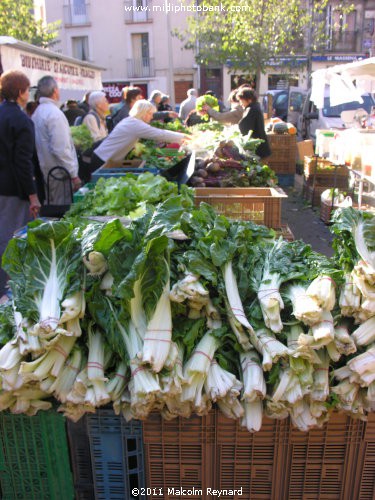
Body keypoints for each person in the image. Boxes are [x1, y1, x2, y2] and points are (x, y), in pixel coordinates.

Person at [0, 70, 41, 301]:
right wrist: (32, 195)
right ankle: (9, 289)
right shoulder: (21, 120)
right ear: (20, 92)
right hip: (12, 189)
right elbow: (23, 161)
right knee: (11, 235)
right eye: (27, 89)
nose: (28, 93)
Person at [91, 99, 190, 169]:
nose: (152, 117)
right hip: (102, 159)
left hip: (103, 157)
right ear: (144, 113)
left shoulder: (131, 121)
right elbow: (159, 134)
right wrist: (184, 137)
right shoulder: (135, 124)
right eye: (150, 114)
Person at [32, 76, 81, 204]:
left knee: (53, 206)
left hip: (48, 171)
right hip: (60, 174)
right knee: (61, 210)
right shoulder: (54, 114)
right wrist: (73, 175)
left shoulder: (38, 112)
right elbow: (60, 149)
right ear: (55, 91)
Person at [236, 88, 271, 159]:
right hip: (260, 145)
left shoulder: (252, 109)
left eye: (241, 100)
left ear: (249, 99)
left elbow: (243, 126)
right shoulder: (255, 107)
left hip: (257, 147)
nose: (240, 103)